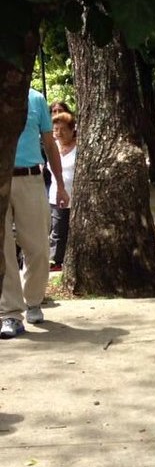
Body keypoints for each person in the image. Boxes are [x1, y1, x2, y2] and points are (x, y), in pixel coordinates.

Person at [1, 88, 69, 339]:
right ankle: (10, 313)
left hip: (30, 177)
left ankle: (33, 300)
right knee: (4, 248)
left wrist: (60, 185)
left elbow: (50, 145)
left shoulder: (35, 98)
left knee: (39, 247)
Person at [48, 111, 77, 271]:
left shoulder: (79, 148)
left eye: (63, 129)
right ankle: (56, 261)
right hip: (56, 196)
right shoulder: (51, 148)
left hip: (76, 196)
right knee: (58, 230)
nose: (59, 133)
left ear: (72, 129)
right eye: (56, 129)